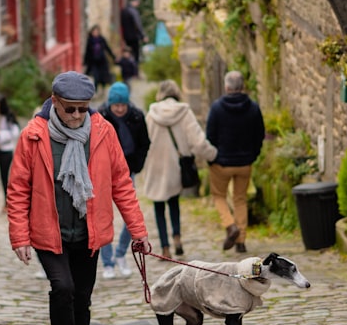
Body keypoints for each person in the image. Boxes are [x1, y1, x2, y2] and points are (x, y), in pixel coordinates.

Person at [7, 71, 151, 325]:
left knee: (82, 298)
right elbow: (18, 189)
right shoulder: (34, 135)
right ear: (54, 102)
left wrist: (137, 230)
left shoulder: (103, 132)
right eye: (69, 108)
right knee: (63, 288)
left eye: (82, 109)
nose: (76, 115)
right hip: (49, 232)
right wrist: (19, 236)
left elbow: (122, 184)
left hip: (89, 233)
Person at [140, 80, 217, 258]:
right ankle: (177, 238)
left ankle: (165, 248)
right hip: (176, 165)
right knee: (174, 202)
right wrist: (212, 155)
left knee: (159, 206)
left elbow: (144, 142)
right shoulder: (184, 112)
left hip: (156, 166)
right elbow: (198, 140)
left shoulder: (151, 115)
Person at [206, 70, 265, 254]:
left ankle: (230, 226)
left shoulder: (216, 108)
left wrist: (214, 157)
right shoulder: (253, 108)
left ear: (226, 87)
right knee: (240, 199)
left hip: (221, 163)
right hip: (244, 163)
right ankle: (241, 241)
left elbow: (210, 136)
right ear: (243, 87)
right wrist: (252, 155)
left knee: (218, 196)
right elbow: (259, 135)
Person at [99, 82, 150, 279]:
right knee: (103, 217)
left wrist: (137, 166)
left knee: (132, 216)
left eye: (123, 105)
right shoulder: (100, 118)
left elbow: (144, 143)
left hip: (127, 172)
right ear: (110, 104)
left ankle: (121, 253)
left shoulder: (137, 117)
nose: (120, 109)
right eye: (116, 106)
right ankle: (108, 261)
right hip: (103, 174)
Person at [82, 25, 117, 97]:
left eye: (97, 31)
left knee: (103, 76)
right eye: (94, 31)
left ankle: (103, 90)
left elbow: (107, 48)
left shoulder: (101, 40)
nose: (95, 33)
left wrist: (113, 57)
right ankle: (96, 91)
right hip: (94, 62)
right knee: (96, 76)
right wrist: (85, 62)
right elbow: (87, 52)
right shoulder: (90, 41)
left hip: (102, 62)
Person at [119, 0, 147, 67]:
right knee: (135, 54)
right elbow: (138, 24)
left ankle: (129, 69)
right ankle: (135, 70)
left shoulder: (123, 11)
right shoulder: (133, 11)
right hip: (134, 36)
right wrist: (143, 35)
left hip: (126, 36)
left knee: (128, 53)